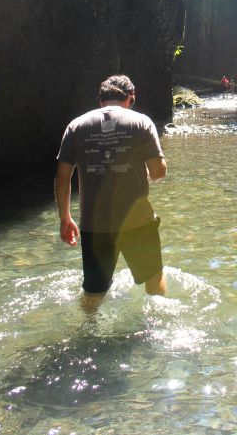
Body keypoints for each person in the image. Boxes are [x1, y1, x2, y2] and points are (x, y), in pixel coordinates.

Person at [54, 74, 167, 308]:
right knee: (154, 278)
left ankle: (87, 335)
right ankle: (157, 323)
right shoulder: (142, 122)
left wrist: (65, 218)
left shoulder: (76, 126)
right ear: (130, 98)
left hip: (94, 225)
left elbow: (63, 177)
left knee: (94, 292)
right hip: (137, 221)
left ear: (100, 101)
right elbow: (157, 172)